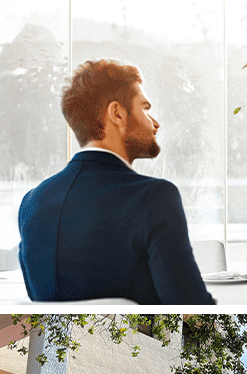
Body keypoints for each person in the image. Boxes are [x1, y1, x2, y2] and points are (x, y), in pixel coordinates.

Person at [18, 59, 214, 304]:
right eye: (144, 108)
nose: (155, 123)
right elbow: (193, 309)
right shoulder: (155, 197)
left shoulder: (31, 203)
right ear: (118, 114)